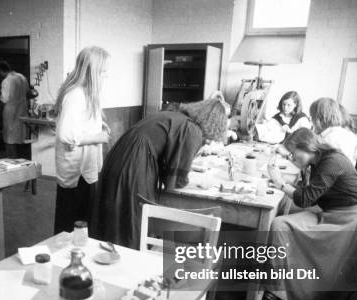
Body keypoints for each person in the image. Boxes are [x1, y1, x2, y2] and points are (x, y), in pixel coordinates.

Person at [258, 128, 357, 300]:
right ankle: (277, 289)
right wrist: (286, 181)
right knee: (282, 223)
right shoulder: (320, 160)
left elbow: (305, 199)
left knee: (280, 224)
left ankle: (277, 291)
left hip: (352, 222)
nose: (292, 158)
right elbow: (311, 192)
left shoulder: (332, 162)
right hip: (336, 213)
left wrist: (279, 182)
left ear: (309, 147)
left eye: (295, 153)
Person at [92, 96, 229, 249]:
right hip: (135, 162)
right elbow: (176, 179)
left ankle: (110, 258)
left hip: (119, 155)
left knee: (115, 215)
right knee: (133, 216)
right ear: (214, 124)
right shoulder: (191, 129)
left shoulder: (174, 116)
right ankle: (131, 259)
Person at [53, 46, 110, 235]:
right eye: (102, 72)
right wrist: (98, 137)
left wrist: (100, 127)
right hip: (76, 173)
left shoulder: (87, 94)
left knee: (82, 224)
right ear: (92, 71)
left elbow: (81, 126)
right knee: (70, 225)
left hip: (85, 169)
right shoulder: (75, 95)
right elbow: (66, 134)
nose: (105, 76)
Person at [309, 97, 357, 166]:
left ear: (319, 118)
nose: (311, 122)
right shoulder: (352, 136)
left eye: (312, 117)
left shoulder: (327, 140)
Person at [0, 61, 31, 159]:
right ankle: (21, 159)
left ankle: (11, 159)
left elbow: (4, 98)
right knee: (20, 136)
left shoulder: (6, 81)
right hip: (22, 109)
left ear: (1, 71)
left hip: (11, 110)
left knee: (9, 137)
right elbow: (27, 92)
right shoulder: (21, 77)